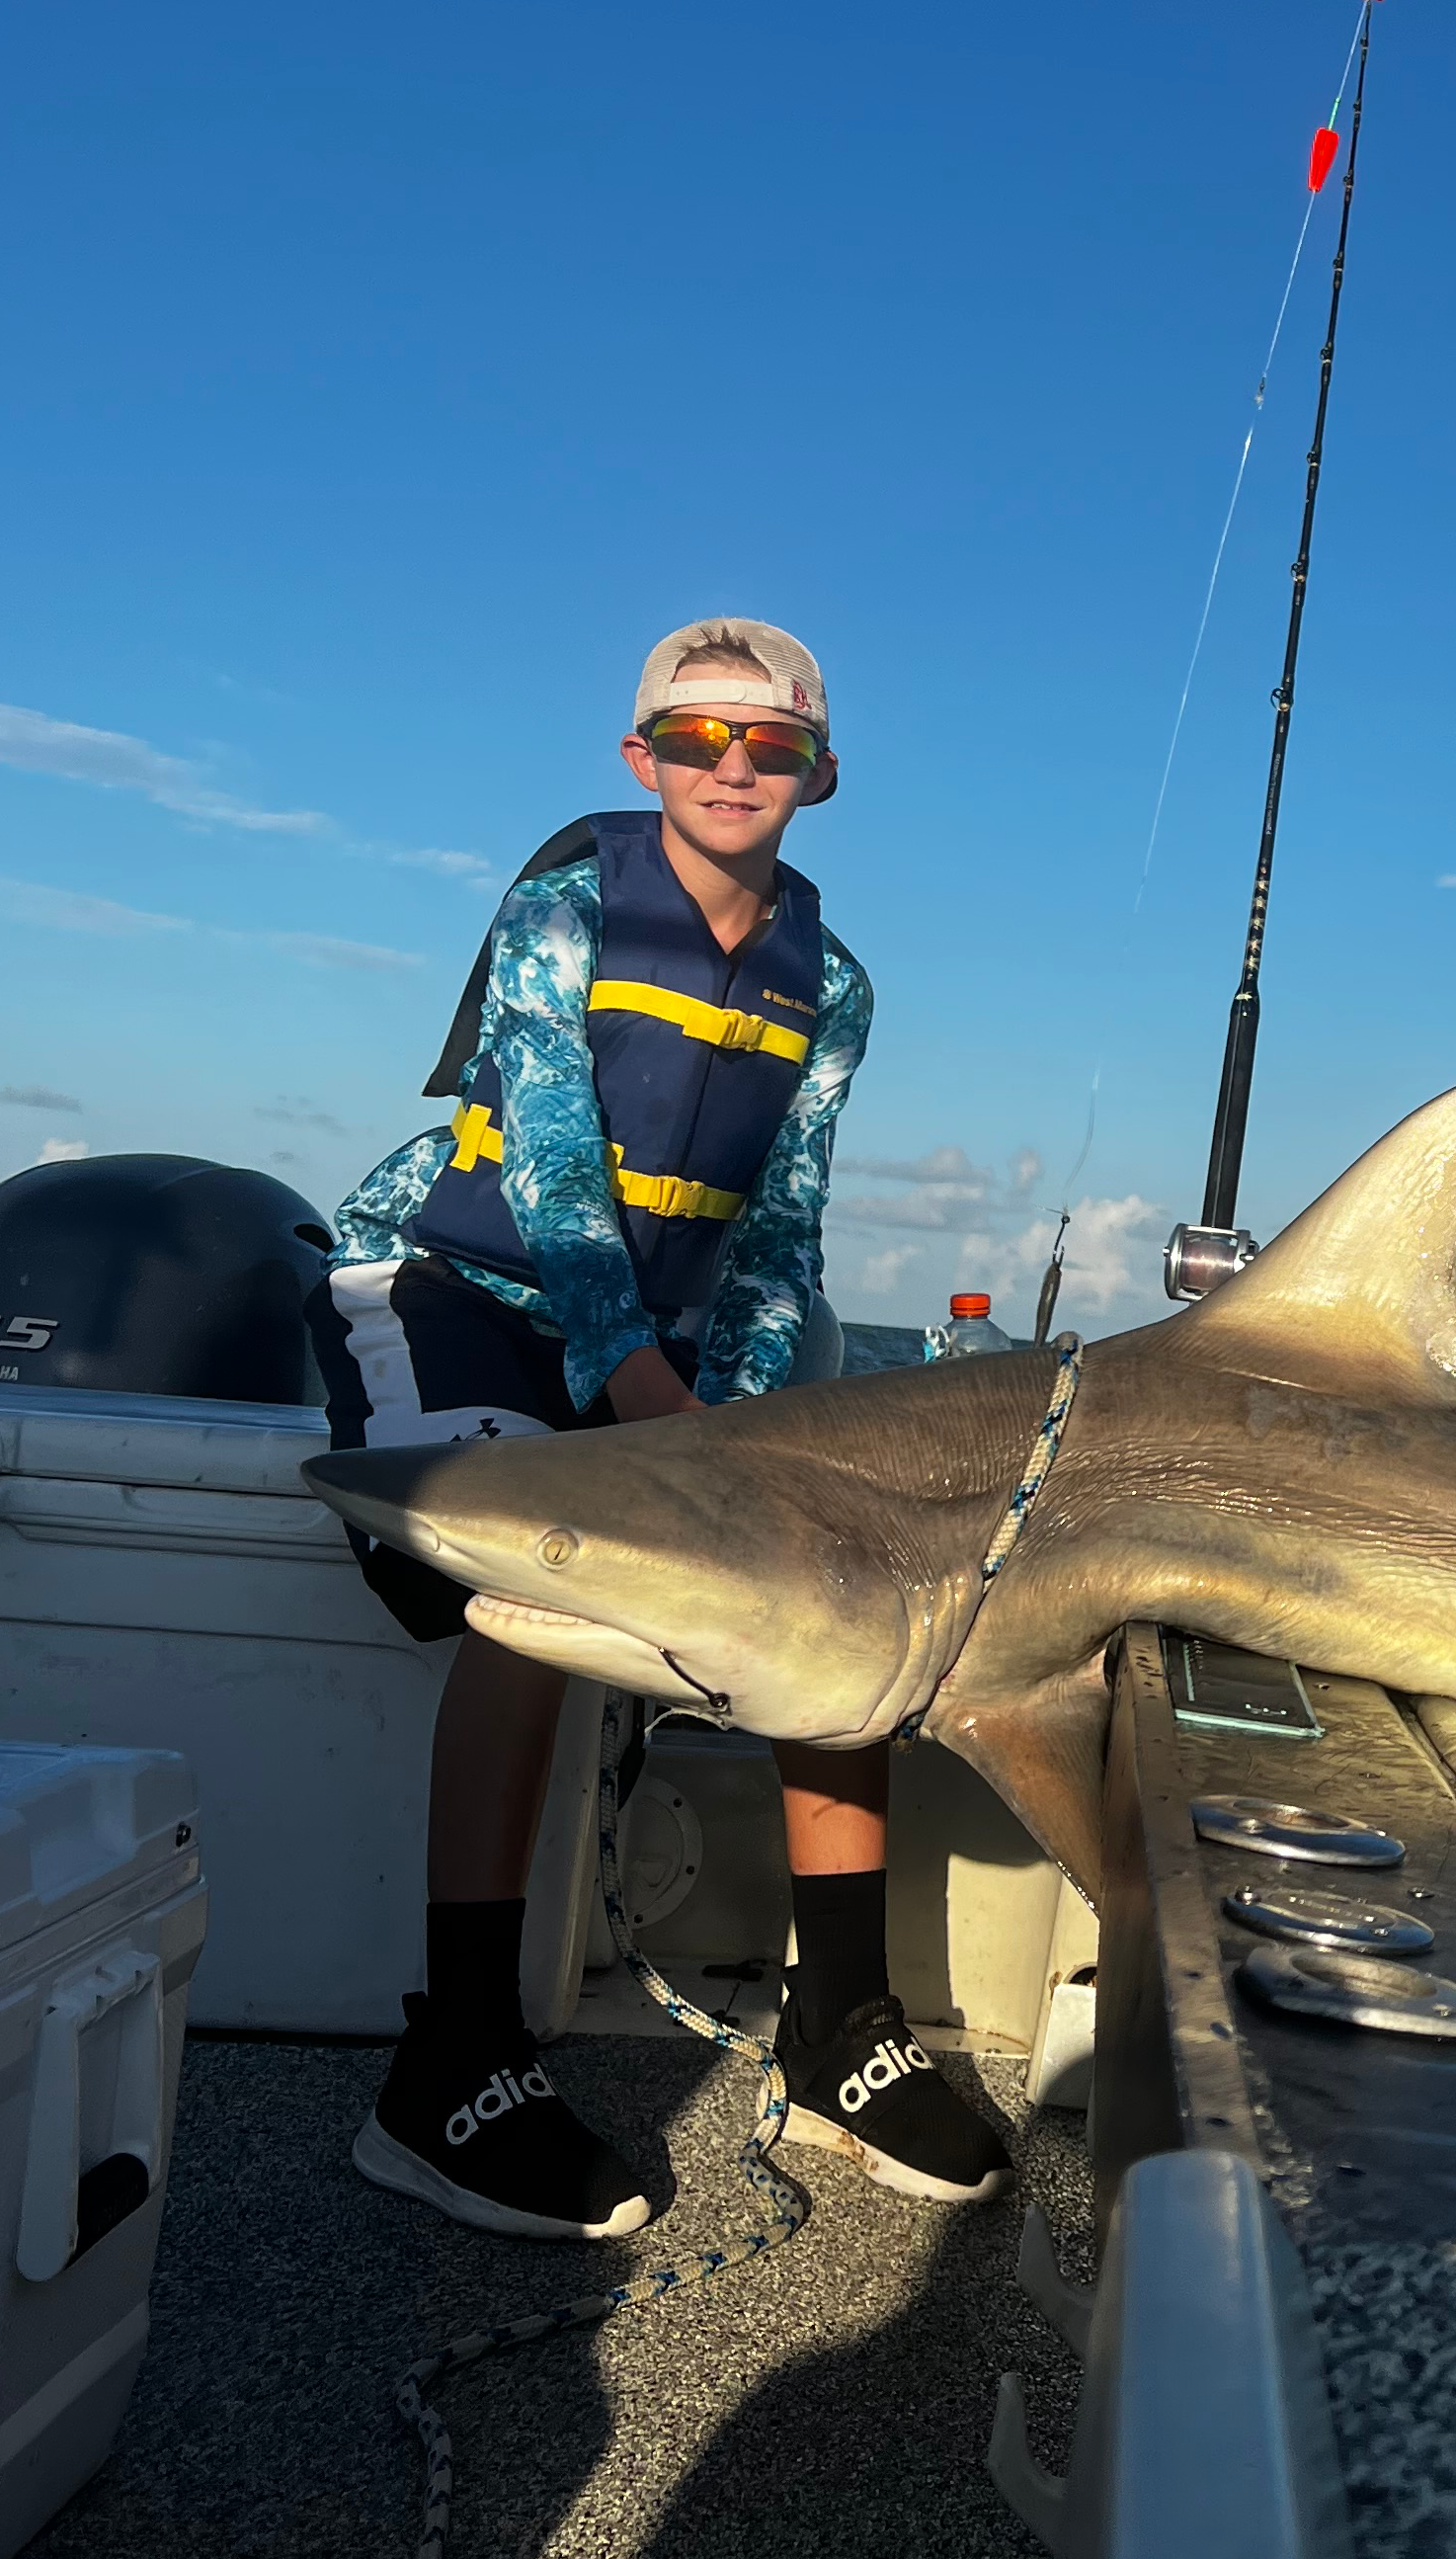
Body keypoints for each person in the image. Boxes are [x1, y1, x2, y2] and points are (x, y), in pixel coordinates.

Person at [312, 619, 1009, 2239]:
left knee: (823, 1577)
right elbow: (553, 1178)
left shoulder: (832, 987)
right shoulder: (561, 909)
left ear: (817, 777)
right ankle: (452, 2064)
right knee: (533, 1594)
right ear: (644, 762)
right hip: (454, 1288)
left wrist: (749, 1447)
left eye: (768, 747)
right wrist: (654, 1424)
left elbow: (780, 1234)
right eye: (697, 739)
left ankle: (838, 2023)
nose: (732, 767)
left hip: (664, 1355)